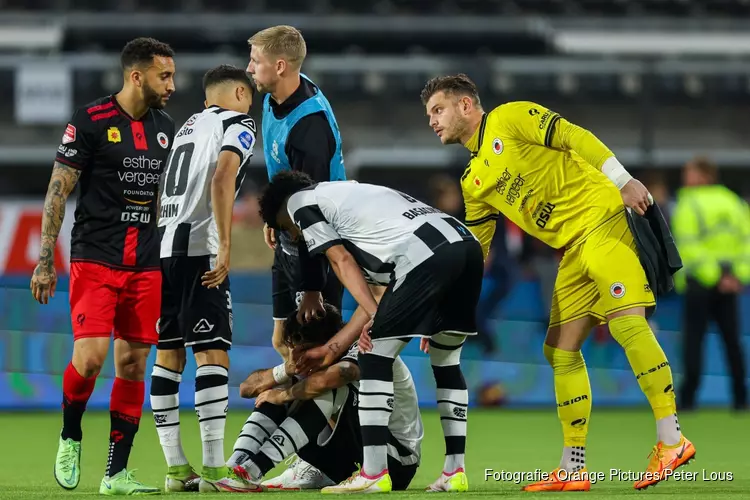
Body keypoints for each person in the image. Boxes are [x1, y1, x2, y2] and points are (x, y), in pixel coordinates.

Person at [420, 73, 693, 491]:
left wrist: (623, 180)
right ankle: (573, 467)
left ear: (466, 106)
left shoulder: (509, 118)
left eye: (438, 110)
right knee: (559, 351)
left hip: (604, 219)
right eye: (429, 115)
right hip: (573, 249)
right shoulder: (473, 180)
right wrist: (446, 308)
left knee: (625, 322)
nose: (432, 121)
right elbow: (478, 250)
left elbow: (573, 136)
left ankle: (671, 439)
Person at [259, 171, 482, 493]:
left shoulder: (297, 204)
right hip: (464, 244)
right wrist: (335, 347)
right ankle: (454, 471)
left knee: (374, 357)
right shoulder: (351, 203)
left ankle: (374, 474)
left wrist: (378, 317)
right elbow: (375, 295)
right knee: (446, 362)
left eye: (288, 231)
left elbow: (340, 259)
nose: (296, 237)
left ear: (281, 215)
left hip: (422, 254)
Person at [30, 37, 176, 495]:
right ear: (137, 76)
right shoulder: (90, 121)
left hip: (146, 264)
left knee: (133, 365)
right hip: (95, 257)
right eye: (164, 75)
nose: (171, 84)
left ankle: (115, 474)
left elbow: (159, 199)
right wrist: (43, 261)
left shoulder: (166, 128)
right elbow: (58, 191)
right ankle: (71, 434)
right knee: (91, 360)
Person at [148, 64, 257, 492]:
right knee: (212, 352)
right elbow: (223, 176)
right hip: (200, 248)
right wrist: (225, 244)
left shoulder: (187, 127)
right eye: (248, 94)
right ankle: (214, 471)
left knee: (169, 354)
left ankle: (177, 470)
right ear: (236, 93)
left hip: (165, 246)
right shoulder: (238, 122)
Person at [246, 23, 348, 482]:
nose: (250, 67)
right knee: (282, 345)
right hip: (289, 236)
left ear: (280, 66)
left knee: (318, 356)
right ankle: (287, 451)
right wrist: (273, 220)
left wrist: (311, 289)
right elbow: (282, 179)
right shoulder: (271, 99)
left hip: (324, 249)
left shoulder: (311, 126)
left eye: (255, 60)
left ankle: (315, 461)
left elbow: (315, 214)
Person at [217, 304, 422, 493]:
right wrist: (286, 370)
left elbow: (345, 372)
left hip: (395, 459)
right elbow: (246, 389)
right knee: (286, 385)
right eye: (293, 347)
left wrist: (284, 396)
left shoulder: (361, 342)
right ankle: (234, 468)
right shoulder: (304, 360)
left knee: (322, 387)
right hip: (353, 450)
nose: (297, 355)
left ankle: (253, 471)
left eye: (305, 349)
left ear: (328, 342)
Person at [671, 156, 749, 411]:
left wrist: (713, 276)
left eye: (690, 173)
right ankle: (740, 398)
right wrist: (735, 276)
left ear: (703, 176)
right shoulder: (734, 202)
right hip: (731, 284)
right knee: (732, 341)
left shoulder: (689, 202)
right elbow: (745, 243)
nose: (685, 178)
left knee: (694, 341)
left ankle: (688, 399)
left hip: (699, 283)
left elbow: (686, 244)